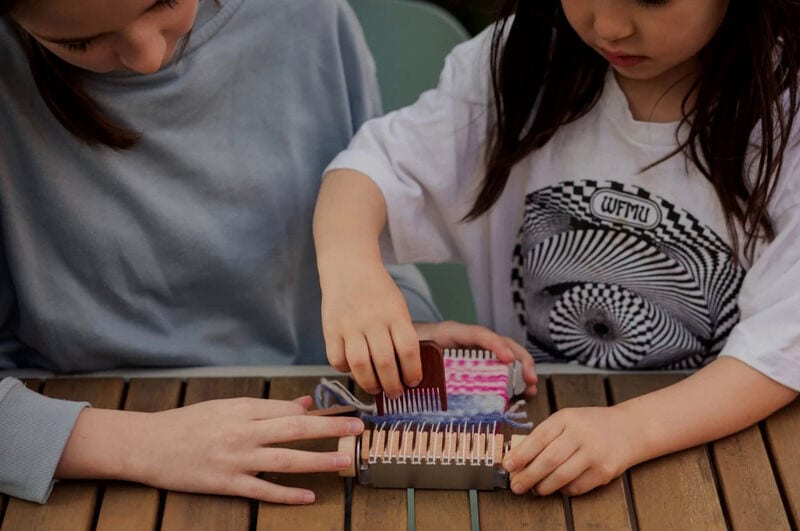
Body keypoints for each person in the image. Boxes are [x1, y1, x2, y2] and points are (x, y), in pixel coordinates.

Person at [314, 0, 800, 497]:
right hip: (524, 432)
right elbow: (371, 170)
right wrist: (351, 270)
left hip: (721, 456)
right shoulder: (517, 63)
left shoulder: (789, 113)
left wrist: (632, 429)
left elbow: (783, 344)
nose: (610, 26)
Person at [0, 0, 440, 505]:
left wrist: (398, 325)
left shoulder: (306, 15)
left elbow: (367, 231)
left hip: (318, 427)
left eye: (163, 2)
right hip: (73, 464)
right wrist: (137, 444)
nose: (146, 55)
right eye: (78, 42)